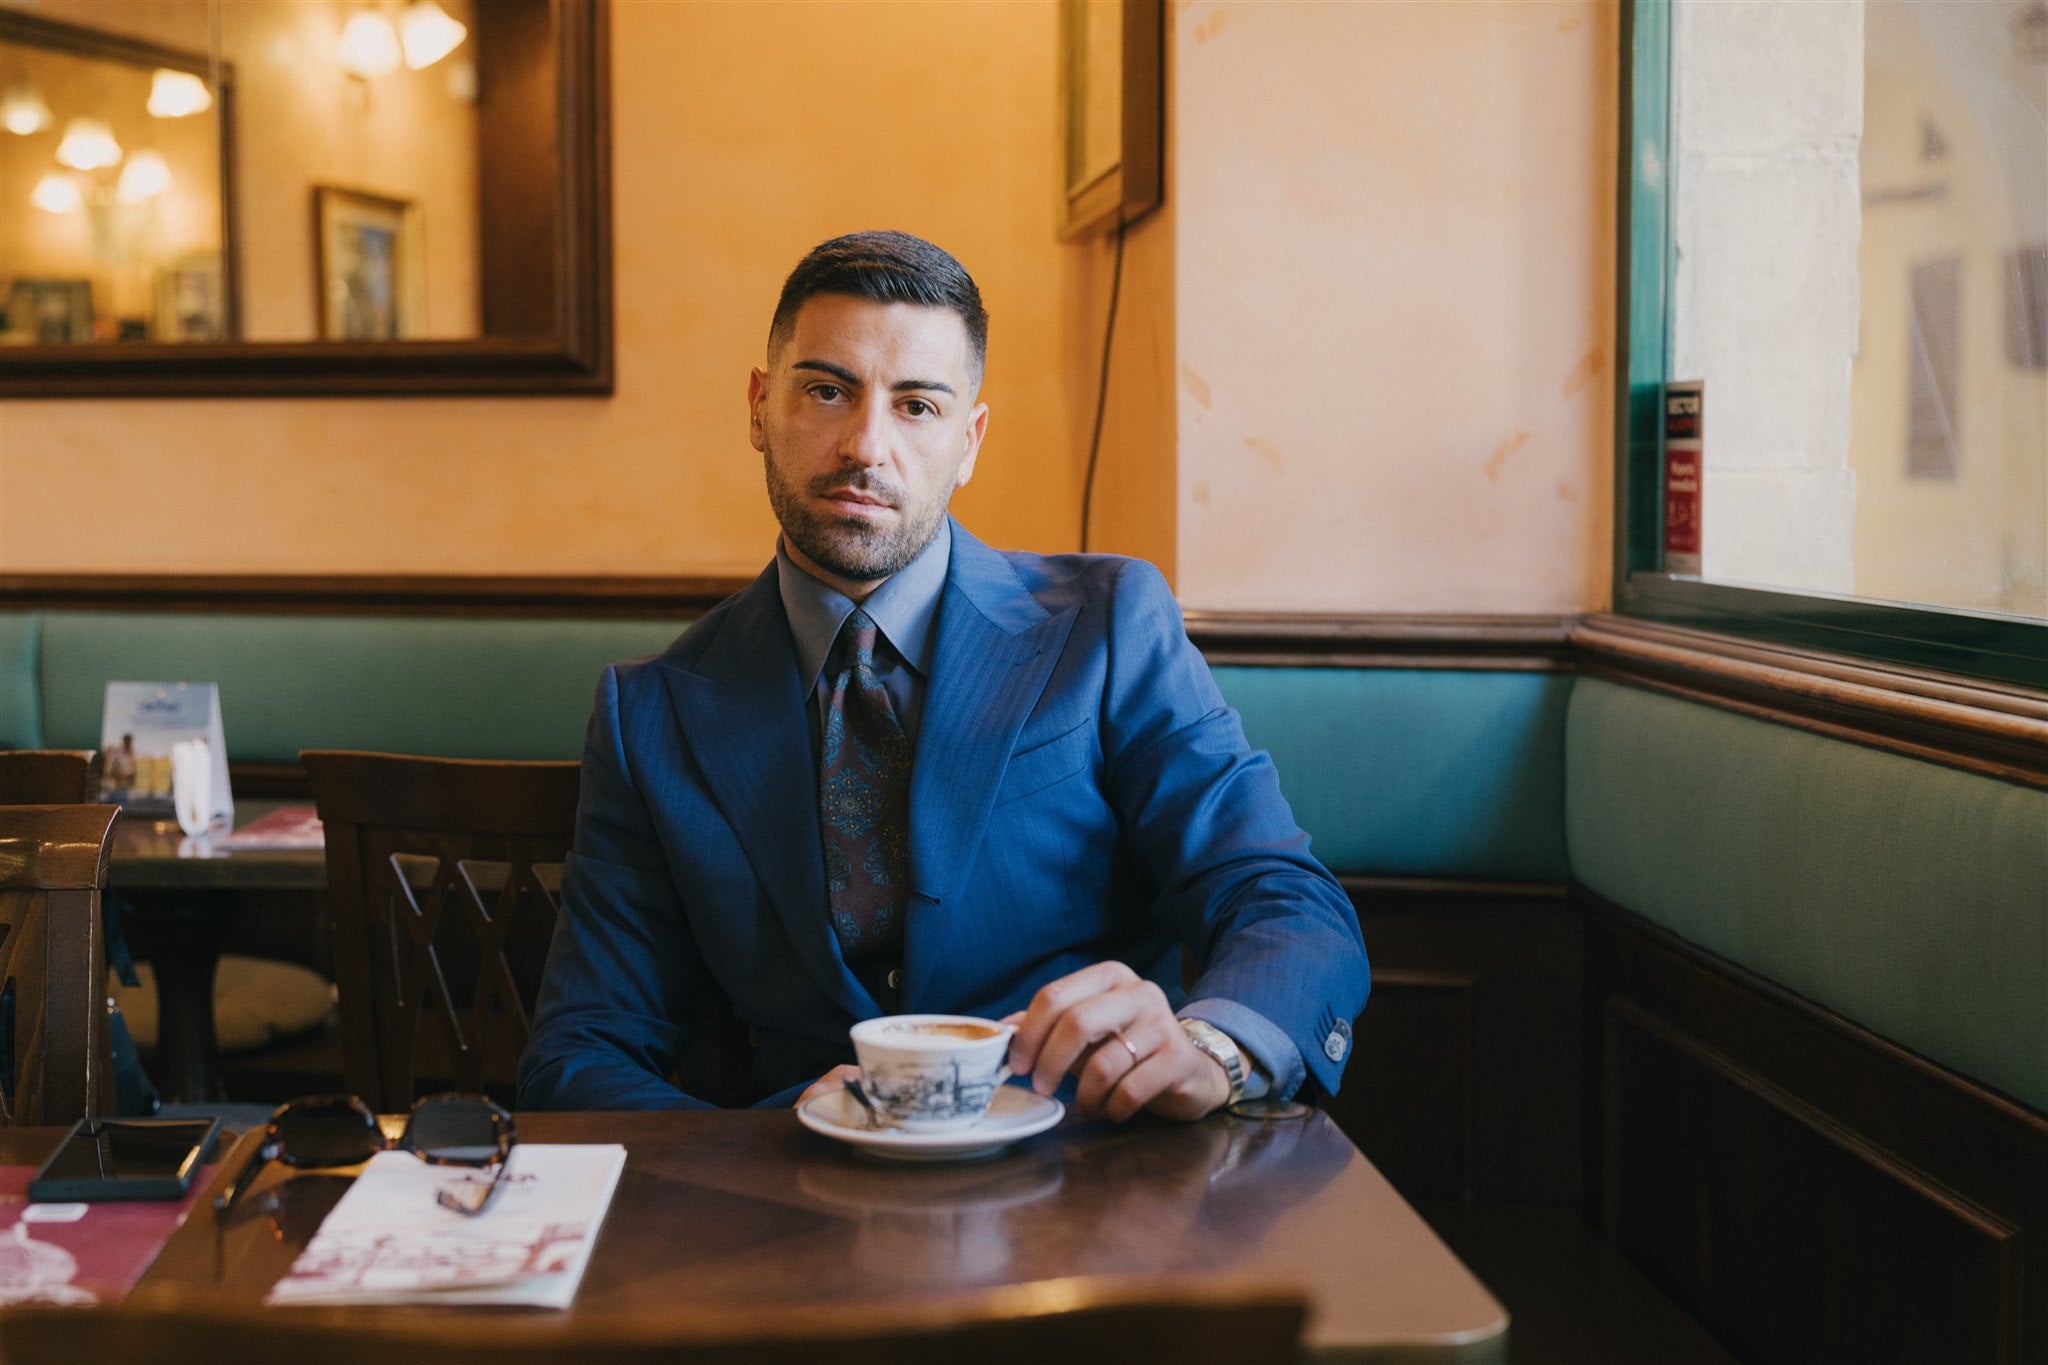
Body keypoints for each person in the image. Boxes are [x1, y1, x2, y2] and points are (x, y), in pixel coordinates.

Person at [518, 231, 1368, 1121]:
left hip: (1087, 1188)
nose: (865, 445)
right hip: (800, 1212)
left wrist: (1213, 1050)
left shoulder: (1109, 623)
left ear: (970, 440)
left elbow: (1286, 902)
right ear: (760, 408)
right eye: (825, 391)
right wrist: (772, 1148)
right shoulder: (650, 713)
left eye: (917, 406)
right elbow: (580, 1056)